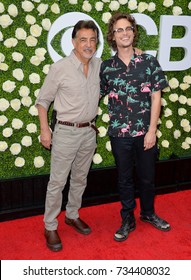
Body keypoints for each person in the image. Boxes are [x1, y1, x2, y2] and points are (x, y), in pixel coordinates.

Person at [100, 12, 171, 242]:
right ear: (113, 35)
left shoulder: (149, 61)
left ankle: (148, 213)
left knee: (148, 177)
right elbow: (93, 93)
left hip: (145, 133)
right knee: (124, 177)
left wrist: (152, 130)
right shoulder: (106, 67)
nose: (124, 33)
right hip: (119, 133)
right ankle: (127, 217)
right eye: (119, 30)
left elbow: (156, 97)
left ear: (134, 32)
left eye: (128, 28)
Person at [35, 20, 101, 251]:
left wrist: (137, 53)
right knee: (58, 182)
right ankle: (50, 226)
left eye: (92, 39)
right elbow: (43, 101)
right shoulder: (59, 68)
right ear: (74, 42)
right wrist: (45, 130)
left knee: (80, 179)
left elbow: (123, 66)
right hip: (64, 132)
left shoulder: (99, 66)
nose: (88, 44)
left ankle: (72, 214)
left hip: (89, 132)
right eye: (83, 39)